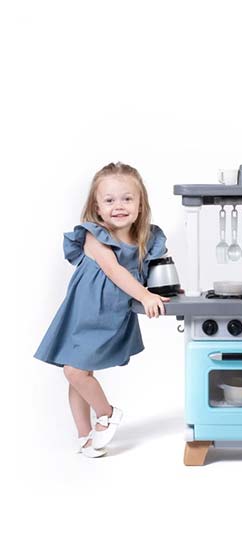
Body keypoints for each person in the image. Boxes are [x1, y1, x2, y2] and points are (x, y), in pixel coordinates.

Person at [35, 162, 171, 458]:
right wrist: (144, 295)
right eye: (109, 200)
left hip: (110, 316)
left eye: (127, 199)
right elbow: (114, 270)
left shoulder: (146, 240)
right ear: (97, 207)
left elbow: (149, 274)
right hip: (81, 313)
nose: (118, 206)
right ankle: (91, 429)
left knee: (76, 372)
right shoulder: (94, 235)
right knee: (75, 371)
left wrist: (162, 291)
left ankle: (103, 419)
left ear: (140, 204)